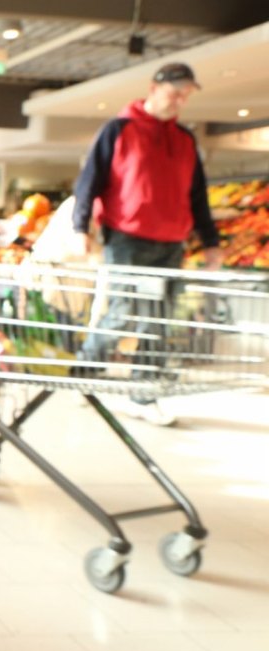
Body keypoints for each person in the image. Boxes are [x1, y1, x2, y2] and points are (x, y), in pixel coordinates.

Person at [71, 61, 223, 427]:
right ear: (155, 88)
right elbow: (89, 180)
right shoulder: (119, 129)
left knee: (159, 319)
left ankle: (144, 393)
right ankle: (84, 372)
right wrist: (80, 227)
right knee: (123, 310)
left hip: (172, 243)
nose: (179, 102)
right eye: (175, 93)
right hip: (127, 238)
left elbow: (198, 195)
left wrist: (211, 242)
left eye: (185, 96)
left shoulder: (186, 139)